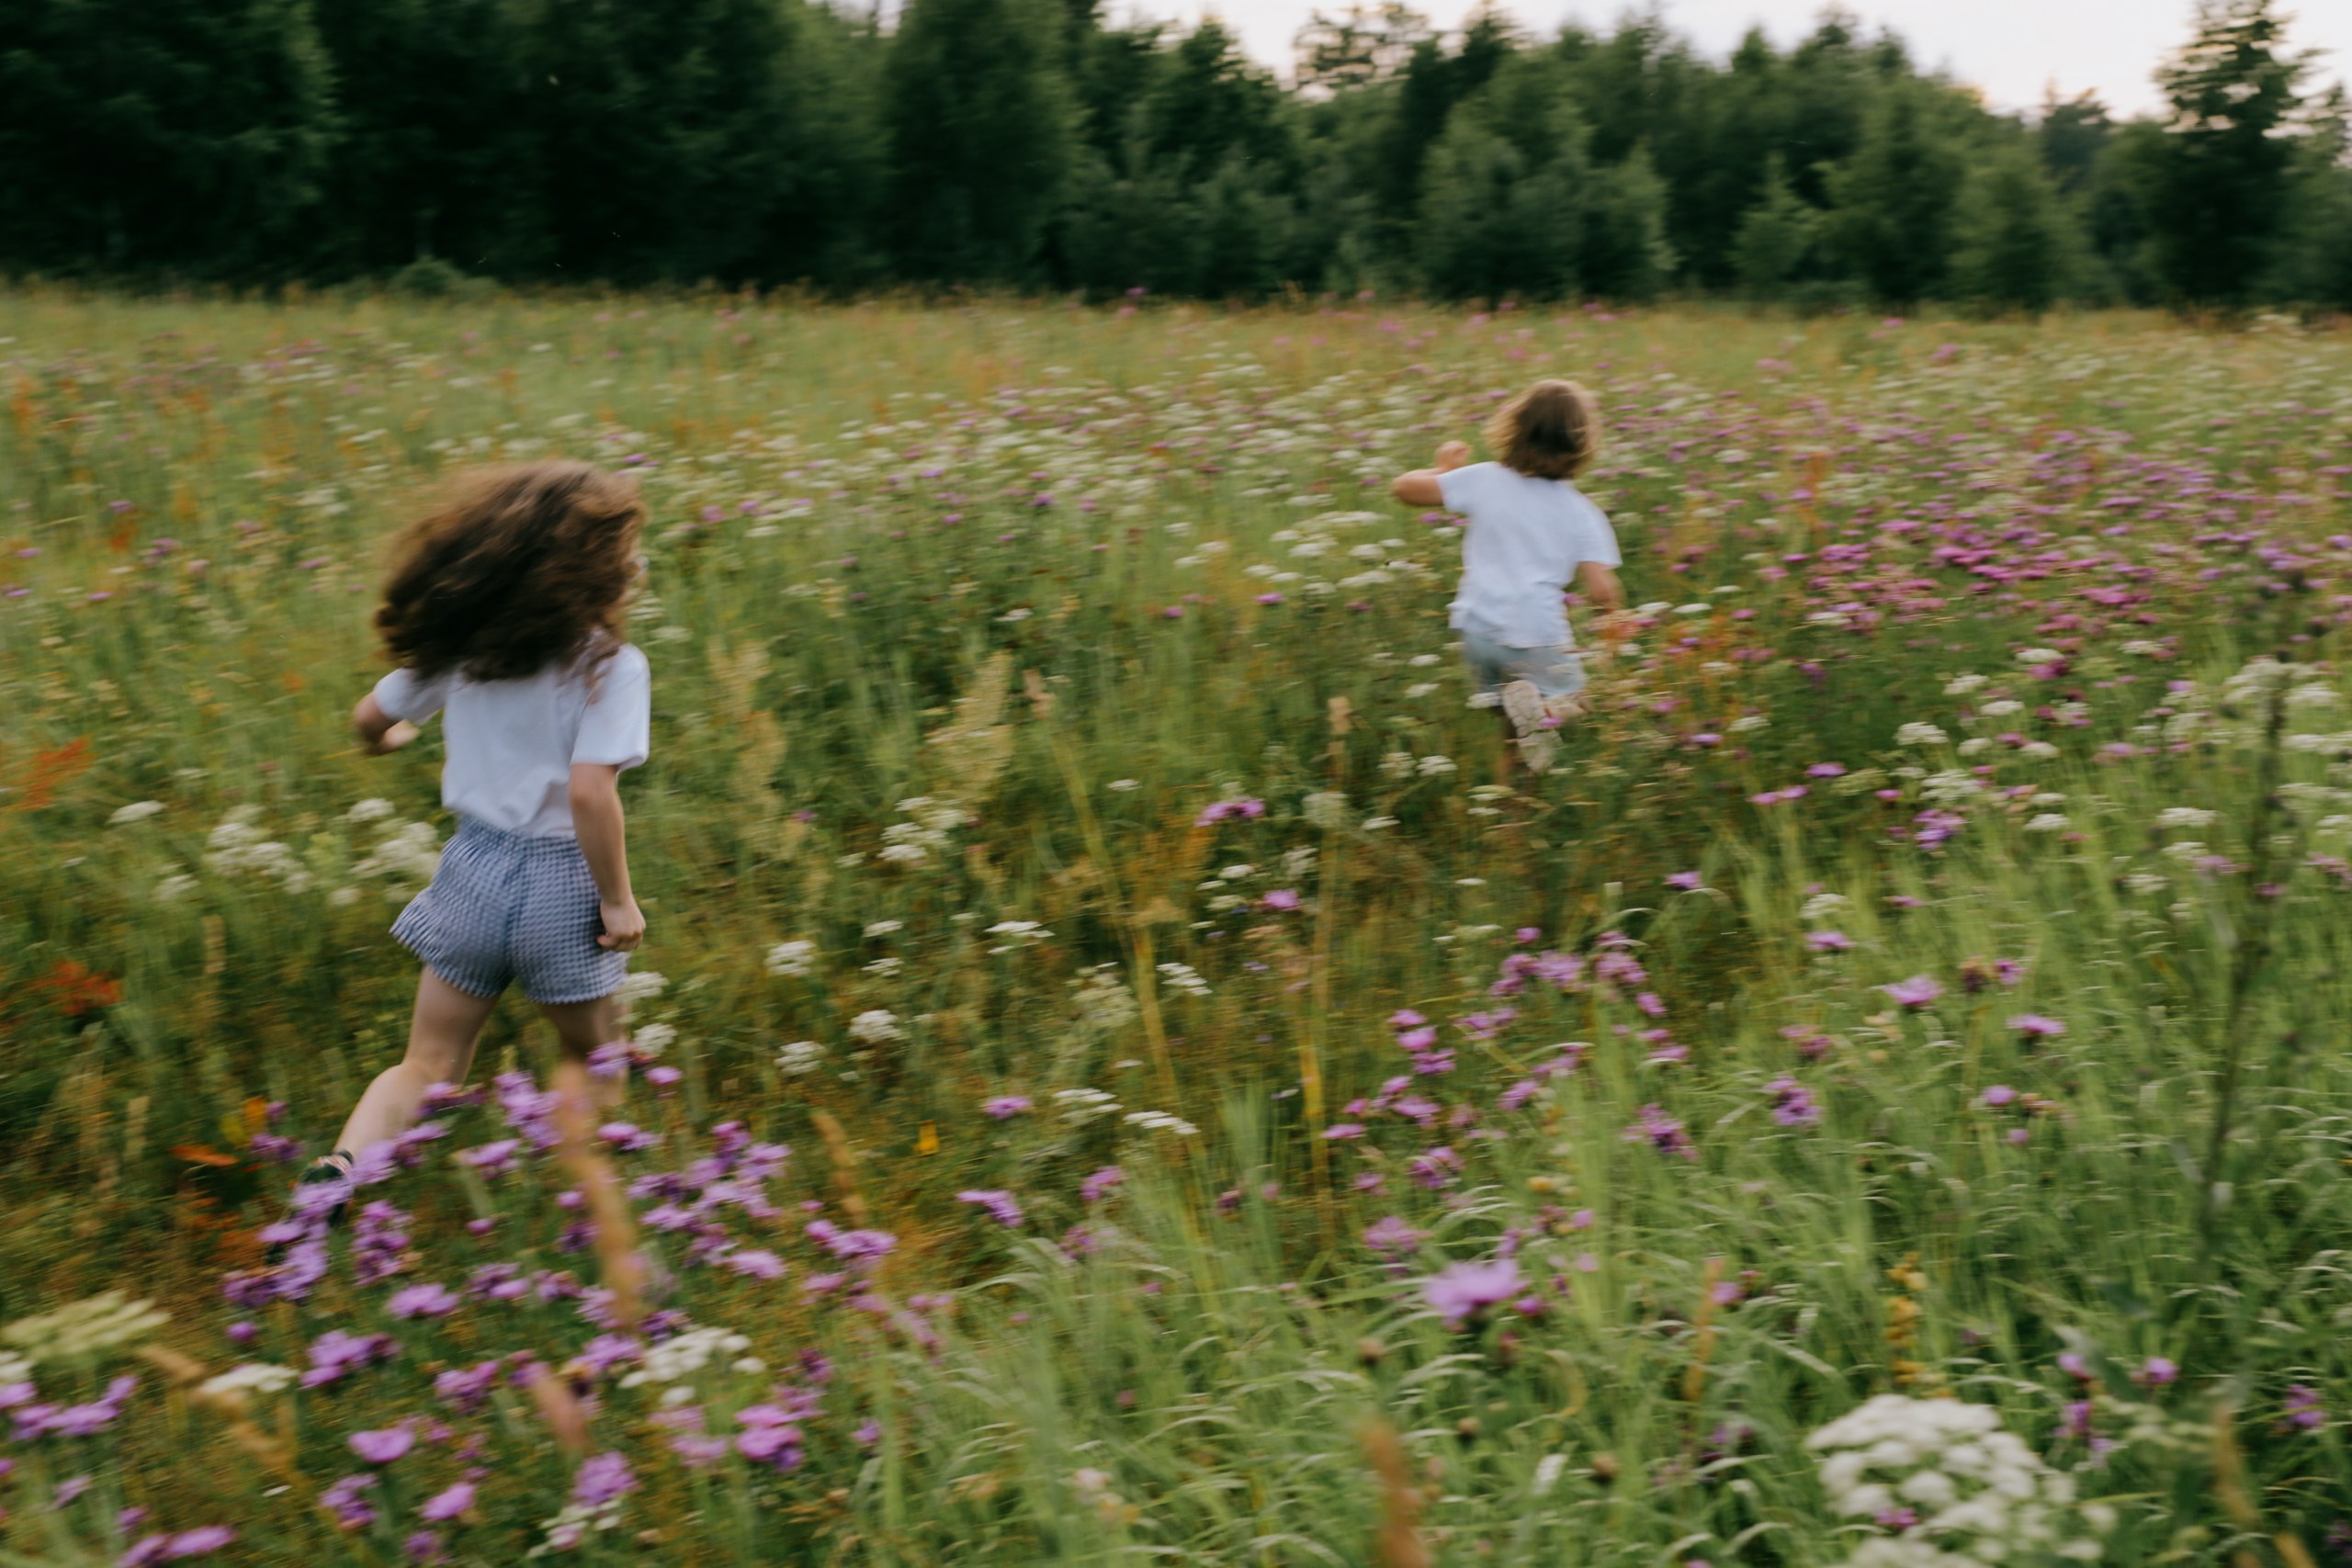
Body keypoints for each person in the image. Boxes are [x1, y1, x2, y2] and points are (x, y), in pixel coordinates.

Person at [293, 459, 652, 1221]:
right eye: (626, 551)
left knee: (427, 1061)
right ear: (591, 571)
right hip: (563, 885)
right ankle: (593, 1221)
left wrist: (388, 741)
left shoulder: (464, 649)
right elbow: (590, 792)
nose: (636, 564)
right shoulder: (609, 667)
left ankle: (338, 1169)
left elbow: (369, 718)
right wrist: (618, 901)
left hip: (473, 869)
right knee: (596, 1058)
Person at [1390, 378, 1625, 774]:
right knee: (1585, 701)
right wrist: (1613, 633)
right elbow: (1602, 590)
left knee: (1516, 727)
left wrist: (1443, 470)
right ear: (1581, 445)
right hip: (1535, 635)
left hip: (1478, 631)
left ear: (1514, 428)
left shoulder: (1484, 479)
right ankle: (1546, 712)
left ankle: (1512, 803)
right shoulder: (1582, 512)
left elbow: (1404, 489)